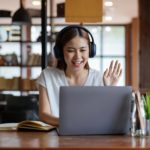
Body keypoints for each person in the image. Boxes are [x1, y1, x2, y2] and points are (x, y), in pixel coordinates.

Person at [37, 25, 122, 127]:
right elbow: (44, 114)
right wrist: (68, 123)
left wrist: (110, 91)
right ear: (60, 52)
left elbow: (109, 119)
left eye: (82, 50)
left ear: (90, 51)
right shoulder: (48, 76)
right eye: (70, 50)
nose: (78, 56)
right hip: (56, 138)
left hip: (92, 138)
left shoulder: (100, 78)